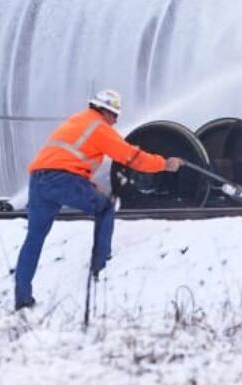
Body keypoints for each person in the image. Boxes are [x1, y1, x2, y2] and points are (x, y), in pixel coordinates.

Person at [14, 88, 182, 310]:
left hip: (38, 180)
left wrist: (88, 185)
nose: (115, 122)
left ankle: (22, 298)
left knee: (34, 238)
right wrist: (164, 164)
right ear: (107, 112)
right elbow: (130, 157)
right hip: (62, 180)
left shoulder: (76, 121)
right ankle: (100, 268)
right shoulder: (99, 128)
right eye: (115, 116)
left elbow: (67, 159)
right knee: (105, 208)